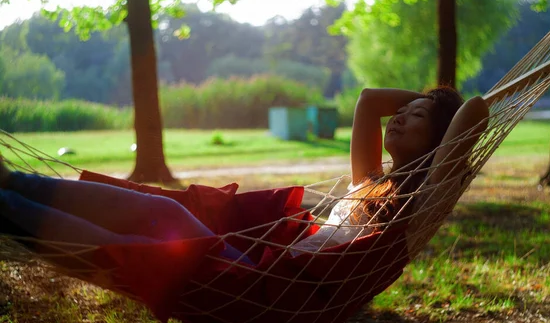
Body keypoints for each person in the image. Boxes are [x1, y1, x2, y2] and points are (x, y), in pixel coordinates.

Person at [0, 87, 489, 265]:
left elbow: (473, 114)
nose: (397, 116)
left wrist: (443, 107)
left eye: (415, 117)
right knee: (140, 224)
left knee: (155, 222)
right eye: (401, 111)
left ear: (439, 143)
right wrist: (428, 102)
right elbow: (367, 98)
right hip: (258, 266)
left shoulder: (416, 204)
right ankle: (13, 186)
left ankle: (11, 194)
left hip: (268, 287)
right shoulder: (369, 183)